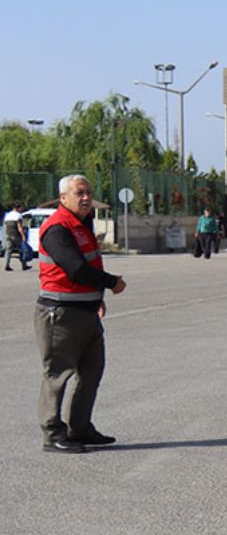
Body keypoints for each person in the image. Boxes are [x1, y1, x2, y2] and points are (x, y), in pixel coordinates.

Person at [35, 176, 126, 453]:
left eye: (88, 191)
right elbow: (76, 269)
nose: (86, 197)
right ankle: (52, 434)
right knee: (58, 374)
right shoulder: (57, 229)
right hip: (60, 314)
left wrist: (97, 299)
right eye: (79, 192)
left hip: (86, 313)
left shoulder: (81, 225)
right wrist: (112, 282)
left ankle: (80, 428)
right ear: (63, 198)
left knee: (92, 371)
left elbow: (89, 265)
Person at [4, 203, 27, 271]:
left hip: (8, 234)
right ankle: (24, 265)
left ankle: (6, 265)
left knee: (8, 250)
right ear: (17, 208)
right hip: (15, 235)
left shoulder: (7, 215)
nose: (21, 209)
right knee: (21, 249)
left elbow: (5, 226)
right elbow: (19, 227)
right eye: (20, 208)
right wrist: (23, 236)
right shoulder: (18, 215)